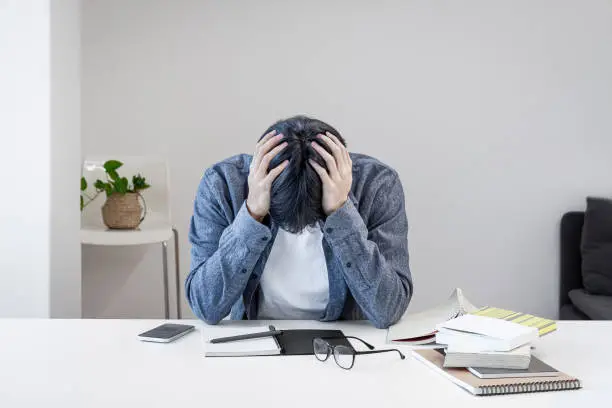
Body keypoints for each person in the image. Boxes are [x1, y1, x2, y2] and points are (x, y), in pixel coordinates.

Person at [186, 116, 412, 329]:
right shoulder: (221, 184)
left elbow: (388, 310)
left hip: (345, 347)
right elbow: (205, 306)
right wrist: (252, 214)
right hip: (256, 344)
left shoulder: (378, 184)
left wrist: (341, 212)